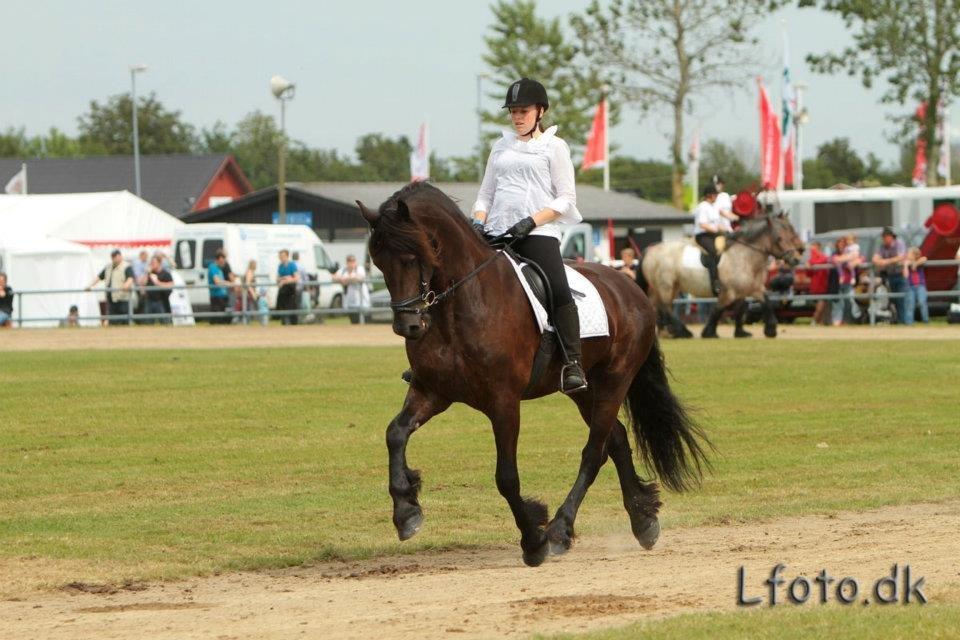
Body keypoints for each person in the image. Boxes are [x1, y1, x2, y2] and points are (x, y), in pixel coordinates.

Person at [472, 77, 586, 394]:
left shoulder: (554, 147)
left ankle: (573, 363)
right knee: (456, 279)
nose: (517, 117)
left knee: (557, 288)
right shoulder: (500, 147)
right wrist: (478, 221)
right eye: (513, 111)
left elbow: (566, 199)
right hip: (495, 231)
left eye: (523, 111)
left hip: (537, 233)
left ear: (540, 111)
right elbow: (485, 195)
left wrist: (530, 222)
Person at [87, 249, 134, 325]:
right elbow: (99, 277)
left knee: (124, 322)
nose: (114, 258)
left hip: (122, 299)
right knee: (112, 322)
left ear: (120, 256)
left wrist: (126, 285)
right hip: (111, 299)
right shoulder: (108, 267)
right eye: (113, 257)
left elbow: (130, 278)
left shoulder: (126, 266)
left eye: (116, 256)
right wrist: (90, 286)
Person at [693, 184, 723, 296]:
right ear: (709, 195)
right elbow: (703, 224)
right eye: (715, 194)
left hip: (713, 235)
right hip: (703, 236)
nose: (716, 197)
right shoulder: (703, 207)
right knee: (713, 252)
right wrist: (716, 230)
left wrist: (729, 231)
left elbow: (717, 224)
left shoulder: (713, 207)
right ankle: (714, 282)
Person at [872, 227, 907, 323]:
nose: (884, 239)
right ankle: (898, 321)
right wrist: (883, 261)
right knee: (893, 300)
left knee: (901, 299)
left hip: (900, 275)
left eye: (886, 237)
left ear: (891, 237)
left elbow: (901, 257)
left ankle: (904, 322)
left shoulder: (899, 243)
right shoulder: (882, 246)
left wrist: (886, 261)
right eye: (883, 237)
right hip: (890, 275)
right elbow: (875, 259)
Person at [830, 236, 862, 325]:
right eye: (839, 243)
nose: (841, 245)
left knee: (850, 301)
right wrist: (849, 258)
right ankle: (836, 323)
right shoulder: (834, 254)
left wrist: (857, 260)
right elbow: (834, 259)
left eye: (843, 243)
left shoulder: (851, 251)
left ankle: (848, 321)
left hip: (848, 282)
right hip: (837, 283)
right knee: (838, 303)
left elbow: (861, 258)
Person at [334, 254, 371, 324]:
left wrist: (345, 279)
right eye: (349, 261)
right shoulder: (343, 270)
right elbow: (333, 277)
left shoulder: (359, 268)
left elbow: (359, 277)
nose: (351, 262)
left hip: (362, 303)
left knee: (364, 324)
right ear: (347, 262)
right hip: (350, 303)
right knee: (354, 324)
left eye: (353, 260)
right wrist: (341, 279)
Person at [143, 255, 174, 324]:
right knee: (148, 323)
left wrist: (158, 283)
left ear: (159, 263)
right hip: (149, 301)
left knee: (165, 323)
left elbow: (171, 285)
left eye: (154, 263)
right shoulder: (149, 273)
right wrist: (146, 273)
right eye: (151, 263)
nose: (152, 264)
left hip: (162, 301)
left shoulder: (166, 274)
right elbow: (143, 283)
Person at [805, 241, 830, 326]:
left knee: (821, 303)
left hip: (823, 283)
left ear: (818, 247)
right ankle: (820, 322)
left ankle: (815, 321)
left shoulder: (822, 257)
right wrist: (808, 267)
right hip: (815, 284)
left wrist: (810, 264)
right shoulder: (811, 259)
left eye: (813, 247)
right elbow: (809, 274)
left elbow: (824, 260)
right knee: (820, 305)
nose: (812, 249)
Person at [902, 246, 929, 325]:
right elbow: (905, 276)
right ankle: (909, 323)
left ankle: (926, 321)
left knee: (922, 302)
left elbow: (924, 259)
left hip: (920, 286)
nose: (907, 255)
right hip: (910, 287)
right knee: (910, 304)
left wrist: (915, 264)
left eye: (909, 254)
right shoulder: (906, 262)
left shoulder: (919, 260)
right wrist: (906, 266)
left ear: (915, 255)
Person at [276, 249, 300, 325]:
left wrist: (285, 281)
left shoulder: (292, 265)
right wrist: (285, 278)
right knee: (283, 308)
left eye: (282, 256)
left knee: (292, 308)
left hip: (291, 290)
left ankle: (293, 324)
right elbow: (277, 278)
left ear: (287, 256)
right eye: (280, 256)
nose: (281, 258)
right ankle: (284, 323)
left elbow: (296, 278)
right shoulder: (280, 266)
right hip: (283, 291)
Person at [208, 250, 231, 324]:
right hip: (217, 298)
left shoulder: (219, 268)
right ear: (220, 258)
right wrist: (228, 283)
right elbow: (217, 281)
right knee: (217, 321)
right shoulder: (213, 267)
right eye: (224, 259)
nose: (225, 261)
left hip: (222, 296)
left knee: (225, 320)